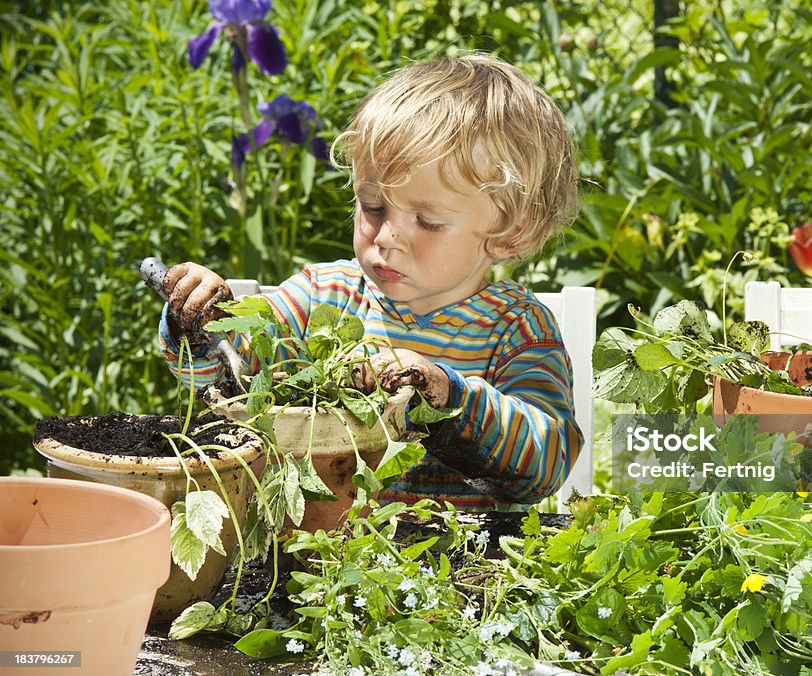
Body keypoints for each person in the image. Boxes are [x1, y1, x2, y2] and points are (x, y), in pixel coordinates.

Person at [158, 54, 583, 511]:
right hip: (319, 557)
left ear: (509, 233)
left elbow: (547, 464)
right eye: (373, 207)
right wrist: (204, 322)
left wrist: (443, 392)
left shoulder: (517, 329)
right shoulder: (326, 296)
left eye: (427, 220)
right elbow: (229, 376)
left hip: (464, 567)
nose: (386, 237)